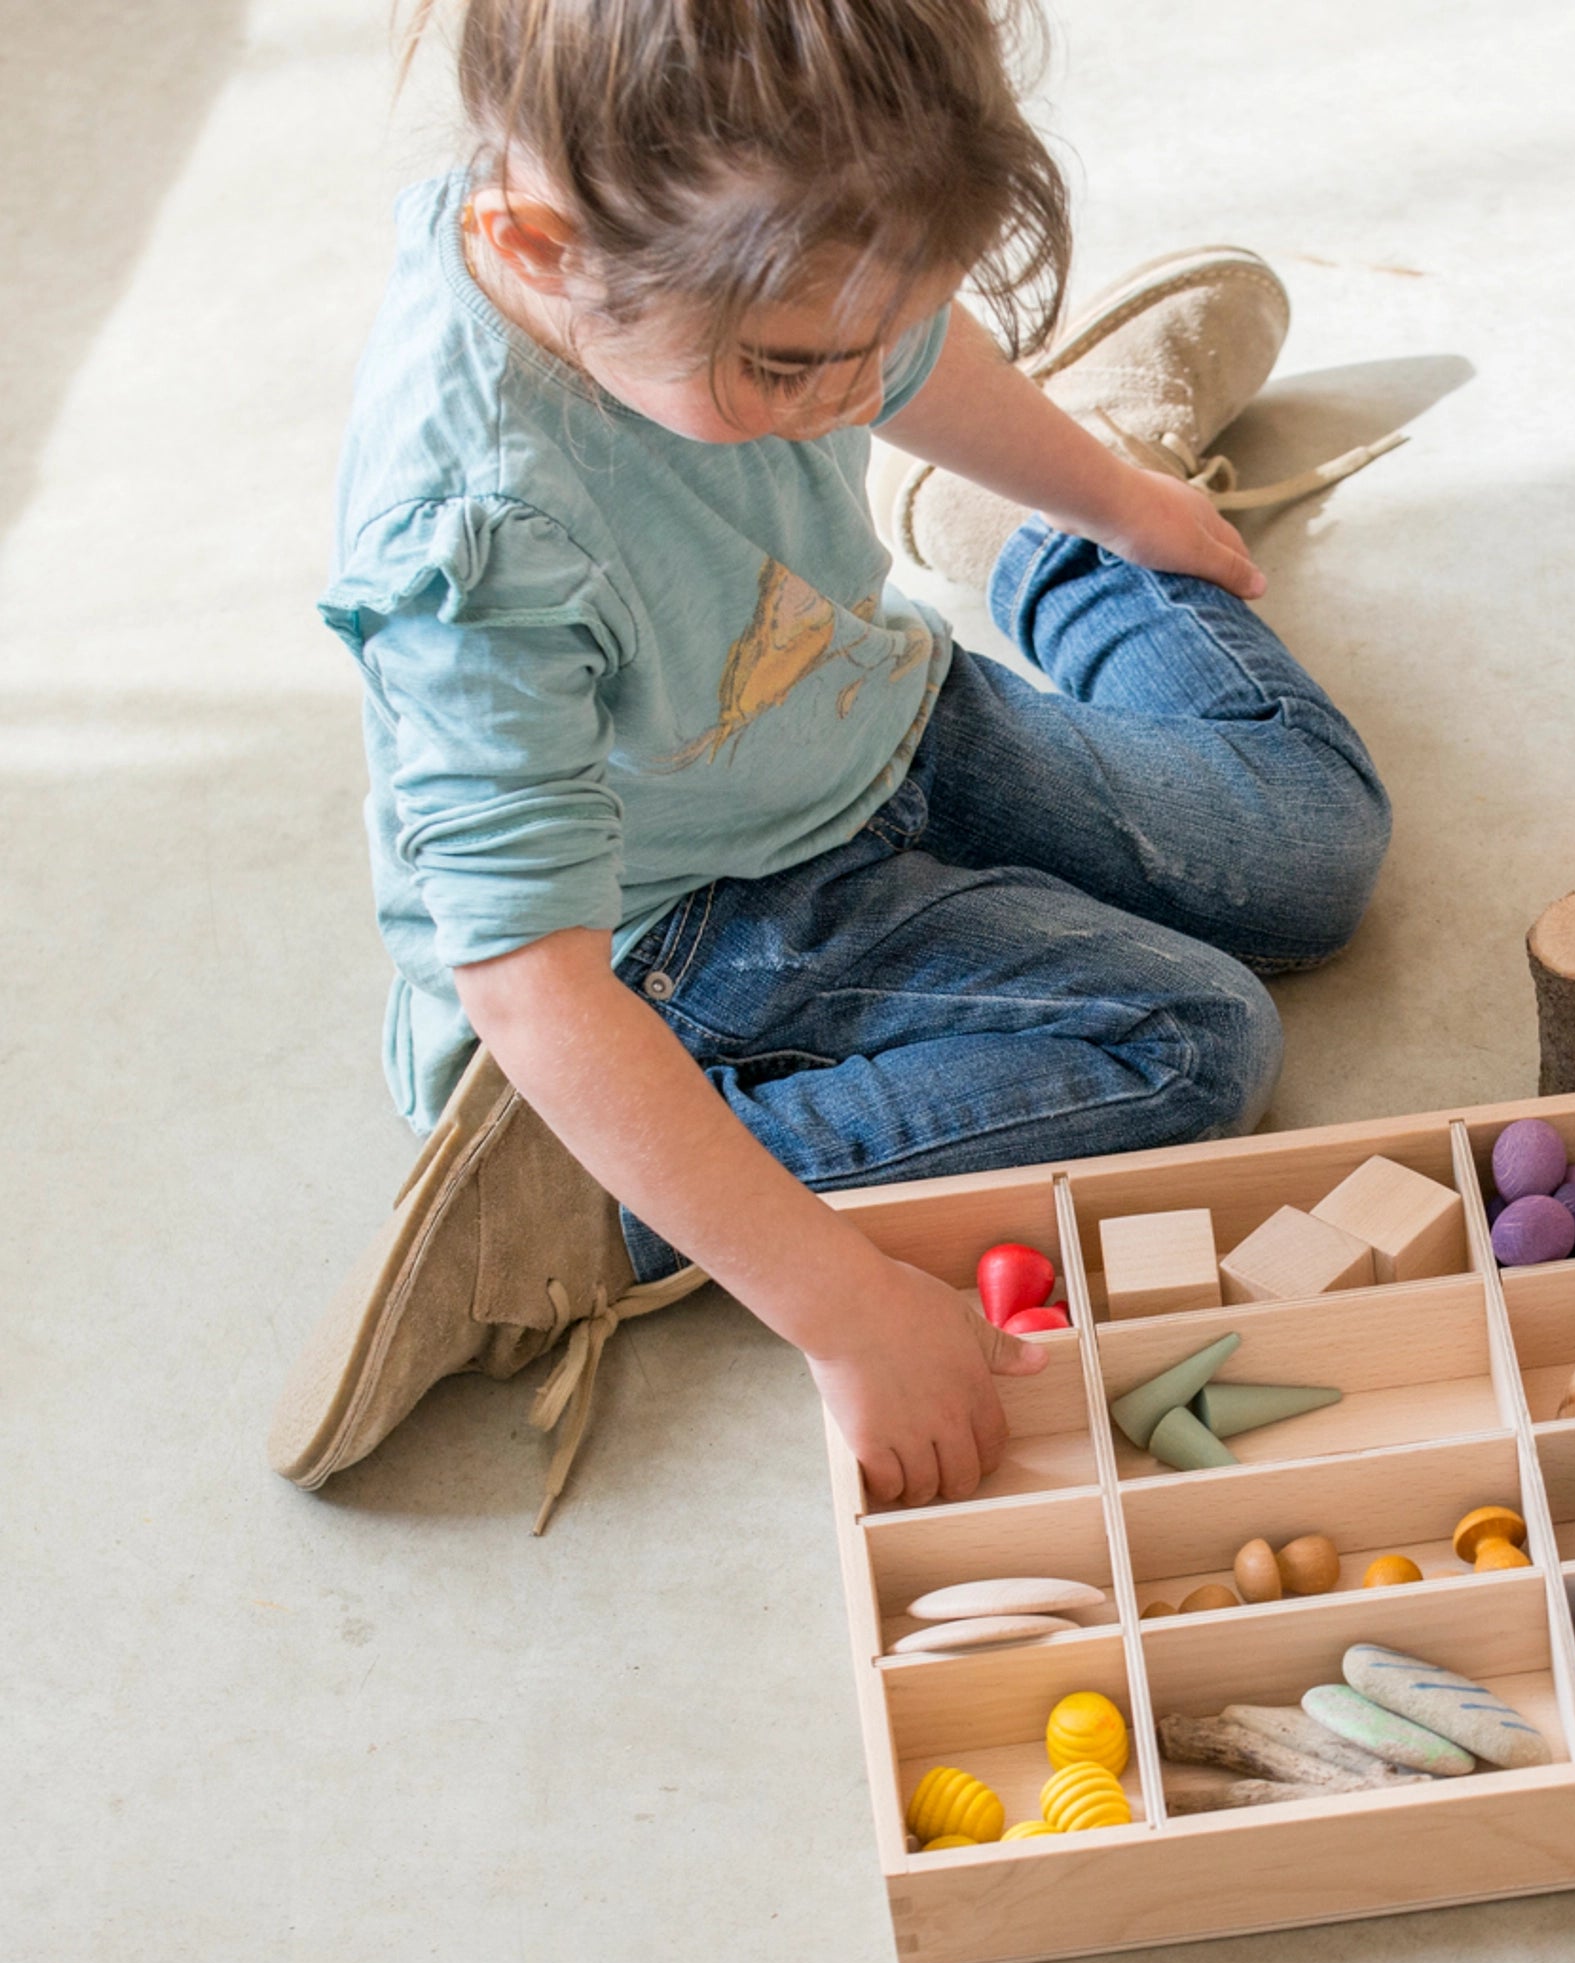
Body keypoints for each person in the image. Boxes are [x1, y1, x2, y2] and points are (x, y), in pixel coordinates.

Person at [271, 0, 1391, 1531]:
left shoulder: (786, 239)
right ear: (538, 250)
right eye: (796, 367)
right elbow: (531, 980)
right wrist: (842, 1306)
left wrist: (1115, 502)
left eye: (886, 338)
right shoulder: (479, 540)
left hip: (866, 713)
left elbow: (905, 360)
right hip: (684, 927)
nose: (857, 398)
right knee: (1194, 1045)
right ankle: (586, 1208)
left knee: (1316, 855)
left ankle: (1033, 528)